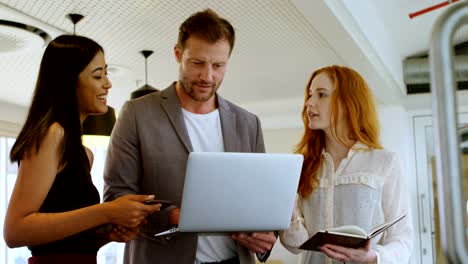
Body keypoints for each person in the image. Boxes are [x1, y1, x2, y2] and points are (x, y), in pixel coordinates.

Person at [103, 9, 277, 264]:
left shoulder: (248, 123)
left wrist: (264, 236)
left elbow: (261, 201)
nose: (208, 76)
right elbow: (116, 196)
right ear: (178, 54)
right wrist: (173, 215)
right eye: (197, 63)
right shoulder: (137, 113)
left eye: (218, 65)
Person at [3, 35, 160, 264]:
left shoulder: (84, 154)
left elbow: (65, 244)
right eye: (98, 75)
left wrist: (106, 236)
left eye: (106, 74)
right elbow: (15, 232)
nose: (108, 83)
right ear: (69, 81)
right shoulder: (53, 134)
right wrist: (107, 211)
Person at [280, 65, 413, 263]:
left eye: (321, 95)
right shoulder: (300, 165)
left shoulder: (385, 162)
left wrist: (373, 257)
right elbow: (297, 245)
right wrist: (287, 209)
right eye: (309, 95)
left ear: (347, 102)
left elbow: (403, 239)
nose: (309, 103)